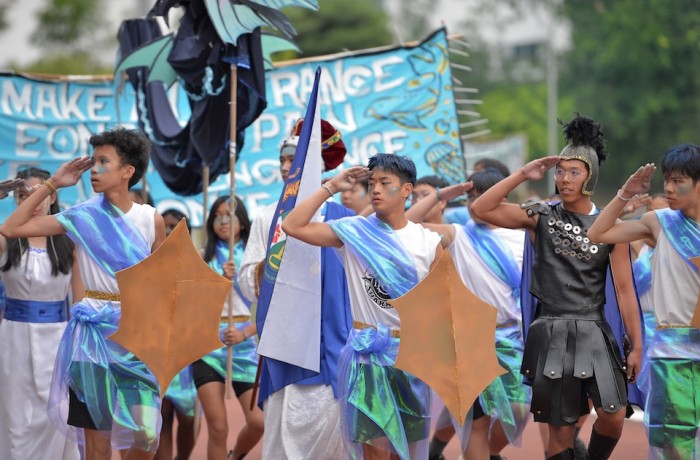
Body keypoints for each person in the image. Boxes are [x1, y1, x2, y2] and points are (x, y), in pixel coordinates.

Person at [471, 115, 643, 460]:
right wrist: (523, 173)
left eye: (574, 172)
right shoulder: (540, 216)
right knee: (560, 434)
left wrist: (637, 345)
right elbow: (481, 208)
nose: (564, 178)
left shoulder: (610, 226)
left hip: (595, 329)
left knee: (612, 417)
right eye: (560, 171)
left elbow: (624, 290)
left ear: (590, 175)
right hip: (550, 331)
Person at [0, 126, 167, 460]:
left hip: (136, 337)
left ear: (127, 171)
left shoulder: (151, 220)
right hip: (91, 339)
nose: (94, 169)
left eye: (103, 162)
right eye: (93, 162)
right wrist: (52, 184)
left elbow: (163, 285)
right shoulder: (82, 216)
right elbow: (11, 228)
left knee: (146, 435)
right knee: (97, 442)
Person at [283, 153, 443, 460]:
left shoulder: (428, 242)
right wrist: (330, 187)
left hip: (411, 359)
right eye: (372, 183)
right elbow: (292, 225)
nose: (376, 190)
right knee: (376, 453)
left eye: (386, 183)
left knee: (403, 454)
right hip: (367, 359)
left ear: (407, 190)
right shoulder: (353, 231)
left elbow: (437, 308)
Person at [238, 118, 353, 459]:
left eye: (295, 160)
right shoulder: (265, 217)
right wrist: (271, 264)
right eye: (283, 161)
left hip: (333, 346)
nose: (286, 167)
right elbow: (247, 281)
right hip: (286, 346)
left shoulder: (344, 216)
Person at [406, 168, 530, 460]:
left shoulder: (526, 236)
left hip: (515, 338)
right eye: (471, 198)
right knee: (478, 419)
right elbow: (406, 223)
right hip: (472, 342)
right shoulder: (458, 234)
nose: (474, 206)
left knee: (518, 411)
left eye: (481, 197)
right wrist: (439, 195)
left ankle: (488, 453)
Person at [587, 144, 700, 459]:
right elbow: (597, 233)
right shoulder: (659, 222)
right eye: (667, 179)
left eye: (679, 181)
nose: (669, 188)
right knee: (673, 448)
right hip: (672, 356)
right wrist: (625, 193)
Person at [0, 168, 81, 460]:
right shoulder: (6, 239)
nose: (30, 203)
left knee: (58, 417)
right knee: (17, 420)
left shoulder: (70, 240)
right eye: (22, 196)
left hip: (60, 340)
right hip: (14, 341)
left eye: (38, 194)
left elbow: (80, 302)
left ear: (52, 197)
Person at [195, 195, 263, 460]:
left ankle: (234, 457)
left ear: (242, 222)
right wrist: (218, 281)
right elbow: (191, 305)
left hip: (244, 346)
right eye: (217, 215)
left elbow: (274, 307)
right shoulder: (202, 257)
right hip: (208, 347)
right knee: (218, 427)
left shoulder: (254, 260)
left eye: (229, 215)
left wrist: (246, 332)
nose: (222, 220)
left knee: (258, 421)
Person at [154, 210, 197, 460]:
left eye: (175, 227)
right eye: (166, 226)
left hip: (187, 354)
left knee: (188, 417)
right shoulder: (149, 262)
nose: (169, 231)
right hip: (158, 351)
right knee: (163, 416)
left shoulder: (197, 262)